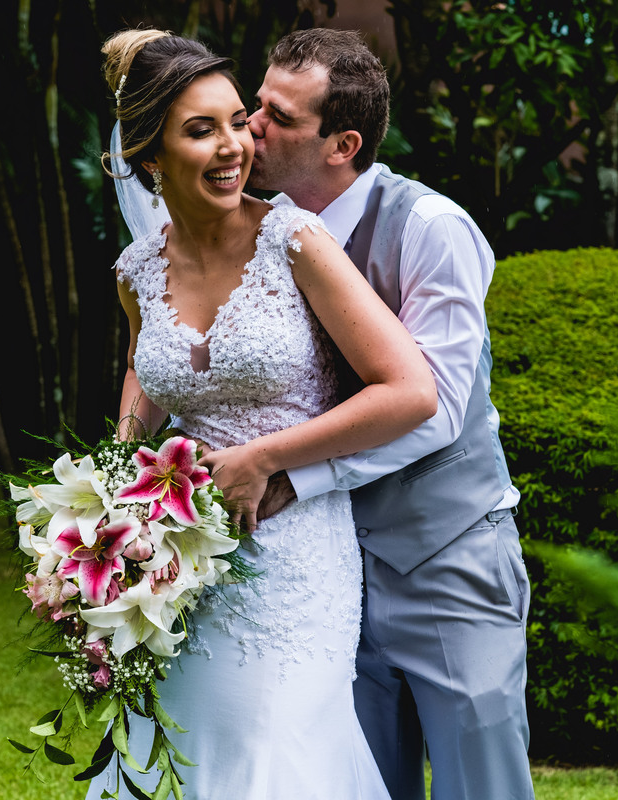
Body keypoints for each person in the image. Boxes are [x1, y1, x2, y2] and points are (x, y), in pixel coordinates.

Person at [91, 28, 436, 799]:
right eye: (199, 130)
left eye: (236, 121)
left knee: (270, 747)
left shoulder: (296, 241)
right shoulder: (138, 271)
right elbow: (147, 367)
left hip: (296, 561)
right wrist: (116, 478)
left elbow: (410, 390)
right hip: (179, 562)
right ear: (148, 154)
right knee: (172, 750)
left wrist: (268, 456)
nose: (232, 146)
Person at [246, 28, 535, 800]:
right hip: (325, 576)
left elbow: (436, 409)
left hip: (448, 561)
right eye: (255, 104)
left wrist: (296, 474)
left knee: (483, 785)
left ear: (343, 143)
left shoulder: (430, 229)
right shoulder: (262, 233)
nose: (252, 126)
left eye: (277, 115)